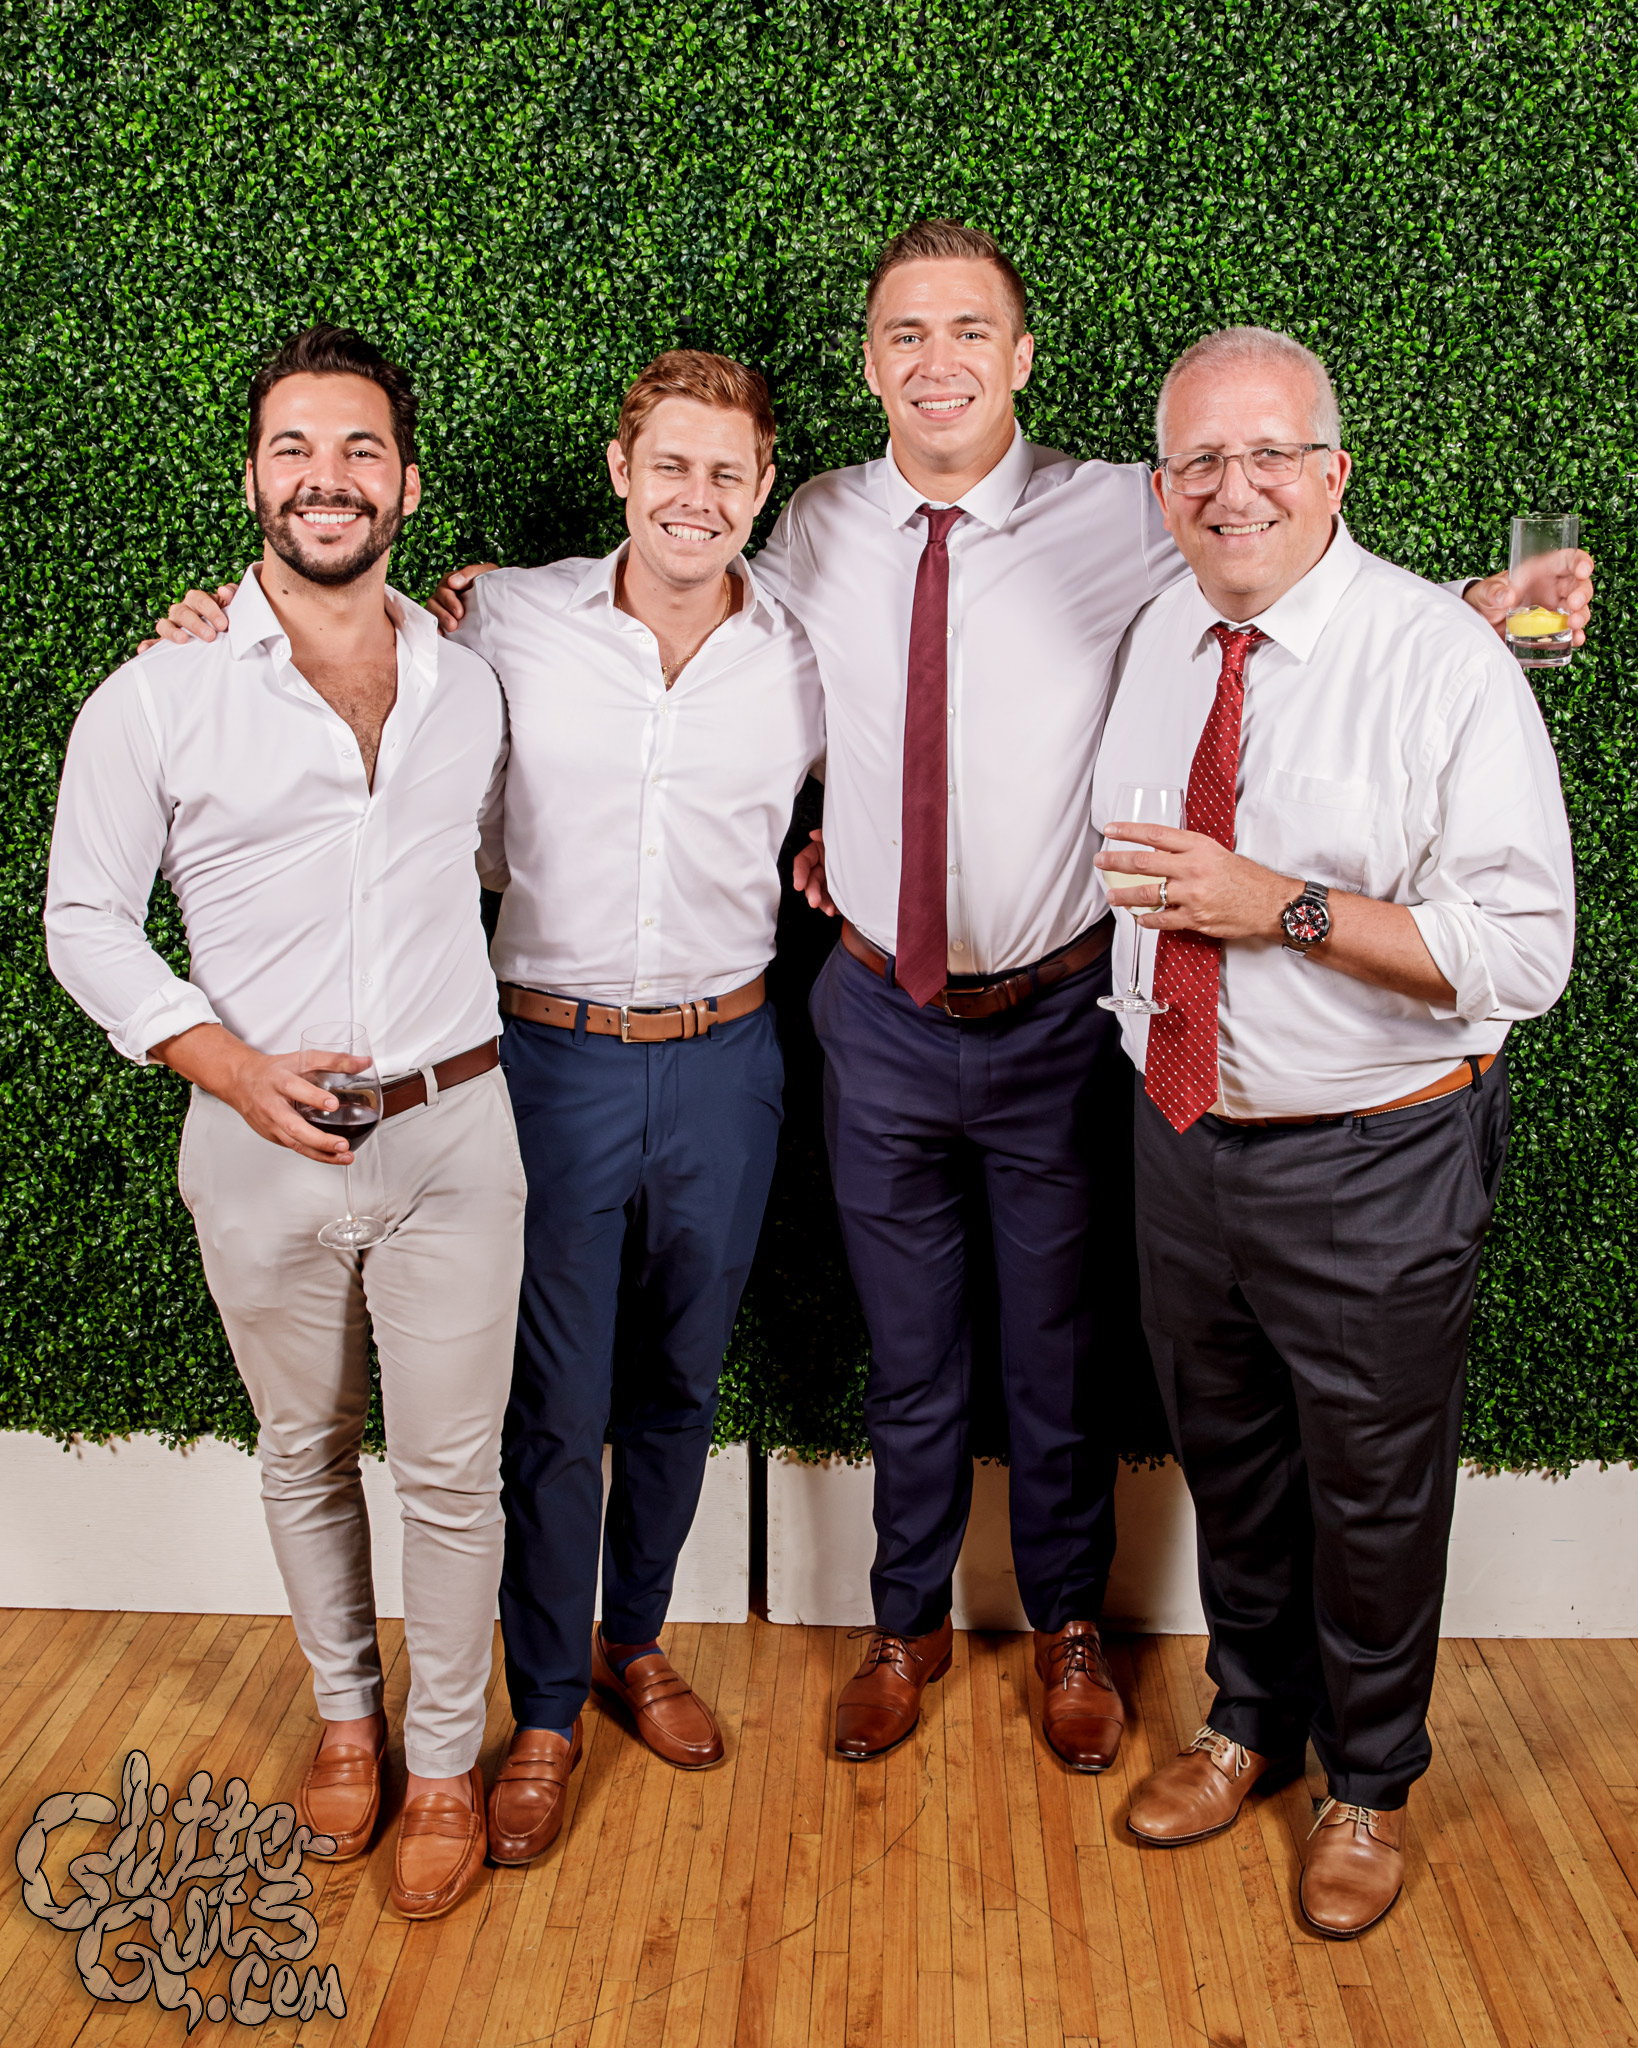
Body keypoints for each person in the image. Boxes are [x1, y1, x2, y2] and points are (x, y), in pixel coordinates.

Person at [747, 221, 1579, 1772]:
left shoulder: (1120, 517)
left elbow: (1299, 590)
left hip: (1071, 1022)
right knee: (921, 1353)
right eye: (904, 332)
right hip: (894, 1011)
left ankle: (1093, 1638)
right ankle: (912, 1625)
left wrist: (1470, 607)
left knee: (1066, 1355)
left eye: (969, 330)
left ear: (1019, 357)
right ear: (868, 363)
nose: (937, 360)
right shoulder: (819, 523)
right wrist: (501, 610)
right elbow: (739, 656)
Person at [148, 350, 826, 1864]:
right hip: (547, 1057)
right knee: (552, 1406)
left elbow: (900, 778)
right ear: (620, 472)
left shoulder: (802, 649)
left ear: (762, 487)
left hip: (729, 1059)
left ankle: (632, 1642)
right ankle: (542, 1712)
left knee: (678, 1382)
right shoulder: (502, 617)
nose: (695, 497)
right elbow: (335, 639)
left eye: (726, 472)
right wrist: (211, 635)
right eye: (669, 465)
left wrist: (839, 848)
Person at [1092, 326, 1576, 1938]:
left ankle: (1365, 1786)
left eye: (1268, 455)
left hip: (1375, 1156)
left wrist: (1278, 907)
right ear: (1162, 489)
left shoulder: (1441, 662)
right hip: (1183, 1135)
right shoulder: (1163, 632)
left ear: (1331, 472)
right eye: (1198, 462)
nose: (1232, 489)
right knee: (1230, 1464)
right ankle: (1250, 1722)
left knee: (1370, 1492)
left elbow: (1522, 955)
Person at [46, 324, 522, 1921]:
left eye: (359, 449)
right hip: (253, 1140)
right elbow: (83, 918)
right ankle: (345, 1720)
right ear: (255, 476)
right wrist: (230, 1067)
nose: (328, 477)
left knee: (454, 1472)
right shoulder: (160, 692)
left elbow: (499, 863)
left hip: (455, 1128)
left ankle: (442, 1763)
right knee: (305, 1448)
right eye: (296, 448)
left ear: (405, 481)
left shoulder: (469, 681)